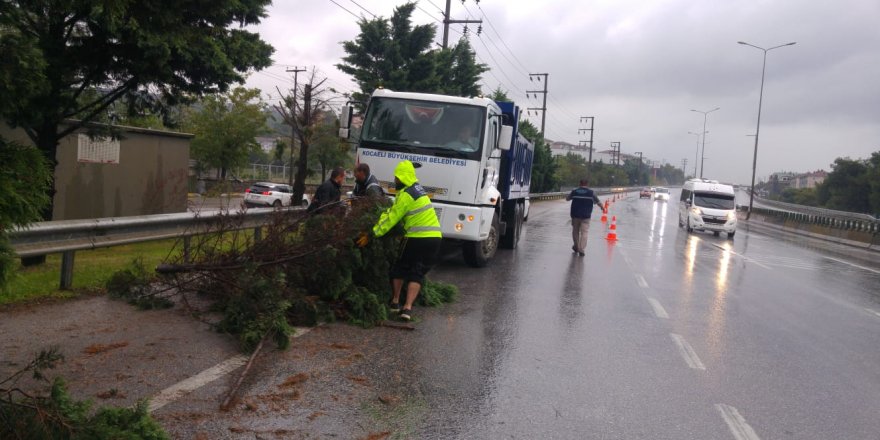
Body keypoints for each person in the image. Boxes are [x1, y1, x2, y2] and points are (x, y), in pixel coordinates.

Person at [356, 160, 442, 321]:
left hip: (416, 238)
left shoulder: (406, 194)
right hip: (435, 239)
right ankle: (407, 309)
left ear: (402, 177)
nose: (395, 180)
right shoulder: (419, 190)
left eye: (396, 177)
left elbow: (392, 218)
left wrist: (372, 233)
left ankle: (395, 302)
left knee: (400, 267)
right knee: (417, 273)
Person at [566, 178, 605, 257]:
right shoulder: (591, 193)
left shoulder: (574, 191)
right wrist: (602, 207)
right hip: (586, 216)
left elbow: (567, 199)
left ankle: (576, 246)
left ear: (579, 184)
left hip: (575, 215)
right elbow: (598, 201)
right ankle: (581, 249)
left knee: (575, 232)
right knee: (584, 232)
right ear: (587, 184)